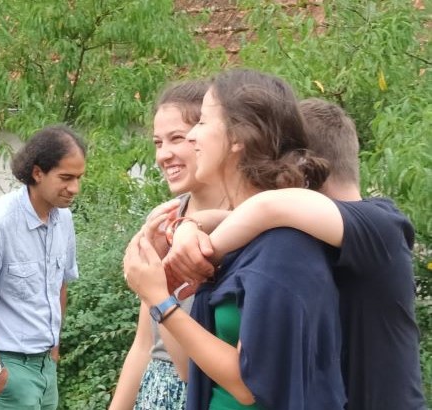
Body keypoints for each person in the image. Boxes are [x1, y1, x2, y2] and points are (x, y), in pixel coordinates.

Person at [165, 98, 427, 409]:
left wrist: (201, 257)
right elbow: (245, 216)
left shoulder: (380, 227)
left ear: (303, 164)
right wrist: (189, 226)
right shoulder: (307, 234)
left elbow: (267, 208)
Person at [123, 69, 346, 410]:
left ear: (238, 137)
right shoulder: (238, 241)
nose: (192, 137)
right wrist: (164, 288)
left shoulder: (282, 247)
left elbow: (249, 385)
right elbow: (192, 371)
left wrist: (161, 300)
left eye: (202, 122)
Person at [0, 125, 86, 410]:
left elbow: (59, 284)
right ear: (37, 173)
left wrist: (54, 348)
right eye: (66, 178)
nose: (75, 188)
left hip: (45, 364)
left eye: (79, 178)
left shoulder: (63, 219)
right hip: (6, 364)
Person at [110, 80, 229, 410]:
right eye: (158, 142)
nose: (163, 154)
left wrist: (162, 293)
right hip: (155, 392)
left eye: (177, 138)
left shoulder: (244, 223)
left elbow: (195, 370)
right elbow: (143, 344)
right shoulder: (164, 219)